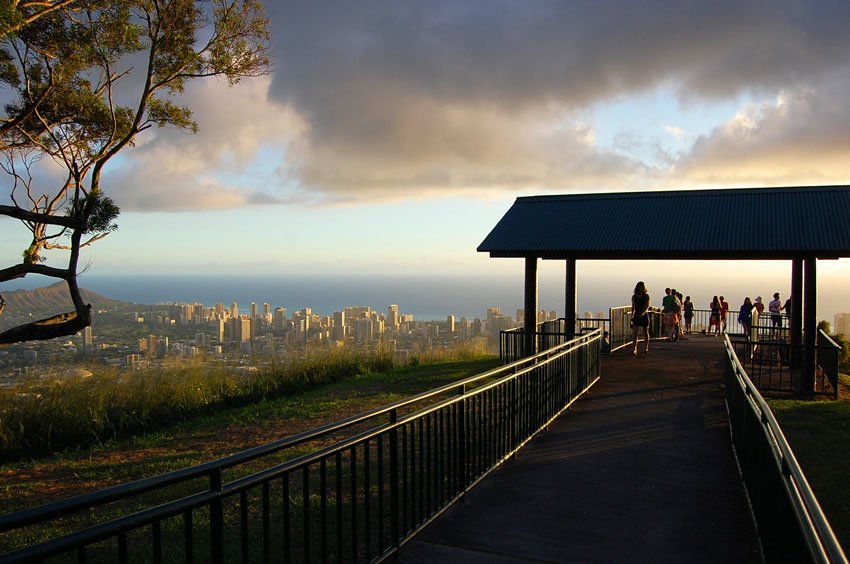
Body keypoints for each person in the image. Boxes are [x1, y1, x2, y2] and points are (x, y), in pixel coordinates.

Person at [631, 281, 651, 355]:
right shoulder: (634, 296)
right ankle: (634, 349)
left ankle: (646, 348)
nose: (641, 288)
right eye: (640, 286)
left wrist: (643, 312)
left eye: (642, 287)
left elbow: (647, 306)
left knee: (645, 332)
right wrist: (632, 316)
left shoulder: (646, 296)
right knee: (635, 333)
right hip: (636, 315)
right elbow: (633, 307)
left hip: (644, 315)